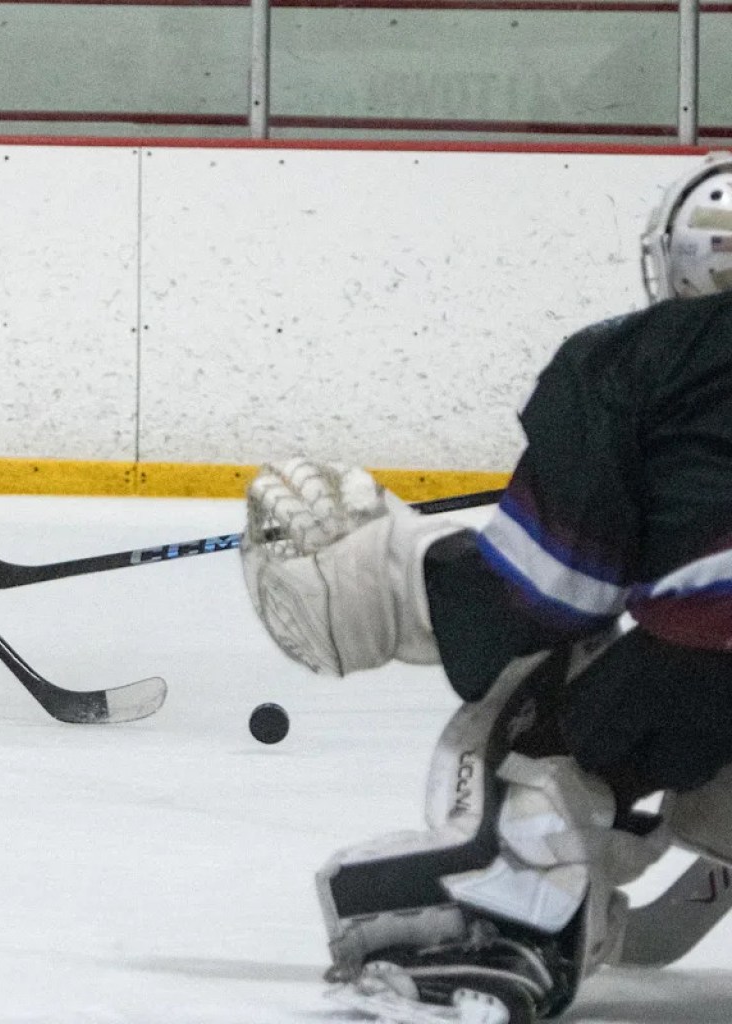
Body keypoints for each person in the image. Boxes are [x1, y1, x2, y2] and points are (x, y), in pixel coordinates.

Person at [240, 153, 732, 1023]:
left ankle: (505, 936)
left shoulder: (628, 362)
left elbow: (549, 598)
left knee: (537, 727)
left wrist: (397, 583)